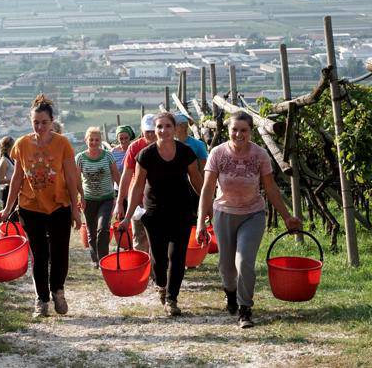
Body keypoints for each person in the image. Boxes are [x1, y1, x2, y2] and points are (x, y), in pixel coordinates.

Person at [196, 111, 302, 329]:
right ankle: (231, 293)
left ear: (251, 132)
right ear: (228, 131)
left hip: (252, 214)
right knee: (226, 266)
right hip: (224, 213)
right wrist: (200, 223)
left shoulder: (259, 155)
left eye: (243, 130)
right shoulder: (217, 153)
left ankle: (245, 309)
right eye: (234, 129)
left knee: (243, 261)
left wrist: (287, 217)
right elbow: (207, 190)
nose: (238, 134)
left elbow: (271, 189)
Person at [0, 94, 82, 318]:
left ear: (52, 121)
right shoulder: (22, 145)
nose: (40, 126)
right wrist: (7, 209)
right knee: (39, 254)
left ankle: (58, 291)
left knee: (59, 253)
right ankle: (41, 299)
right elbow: (16, 178)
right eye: (36, 122)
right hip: (30, 206)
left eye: (44, 122)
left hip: (59, 206)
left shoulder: (62, 144)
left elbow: (71, 177)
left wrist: (75, 208)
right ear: (30, 121)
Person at [119, 112, 203, 317]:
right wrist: (127, 216)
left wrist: (207, 204)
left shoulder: (185, 152)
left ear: (175, 129)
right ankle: (161, 285)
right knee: (158, 257)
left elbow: (196, 179)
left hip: (182, 211)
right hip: (154, 213)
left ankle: (172, 298)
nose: (163, 130)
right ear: (154, 130)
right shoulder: (146, 155)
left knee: (177, 255)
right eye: (159, 127)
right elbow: (137, 186)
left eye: (167, 126)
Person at [76, 127, 121, 268]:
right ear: (86, 140)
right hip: (89, 199)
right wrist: (80, 197)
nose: (94, 143)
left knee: (103, 229)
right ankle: (95, 259)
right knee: (91, 230)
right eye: (91, 140)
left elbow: (116, 176)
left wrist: (122, 196)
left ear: (100, 141)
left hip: (106, 198)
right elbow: (76, 180)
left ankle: (103, 260)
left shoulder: (108, 156)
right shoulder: (80, 158)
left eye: (97, 140)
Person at [114, 114, 157, 253]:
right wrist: (120, 202)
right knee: (139, 239)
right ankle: (143, 273)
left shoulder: (167, 145)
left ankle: (156, 274)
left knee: (158, 241)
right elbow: (126, 175)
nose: (150, 134)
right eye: (147, 131)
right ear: (142, 130)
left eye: (153, 130)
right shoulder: (135, 147)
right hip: (137, 200)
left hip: (159, 200)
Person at [0, 136, 16, 213]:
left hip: (14, 189)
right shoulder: (4, 161)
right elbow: (0, 180)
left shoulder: (12, 158)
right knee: (8, 215)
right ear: (10, 147)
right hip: (8, 190)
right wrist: (14, 180)